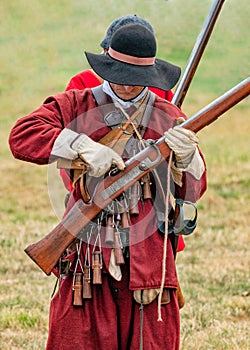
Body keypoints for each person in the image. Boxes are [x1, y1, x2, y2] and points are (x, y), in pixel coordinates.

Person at [9, 24, 207, 350]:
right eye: (121, 73)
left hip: (149, 262)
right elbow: (22, 136)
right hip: (87, 257)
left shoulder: (166, 114)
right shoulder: (76, 104)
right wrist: (80, 146)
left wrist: (188, 160)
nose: (128, 84)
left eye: (137, 76)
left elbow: (193, 192)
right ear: (107, 66)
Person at [62, 14, 187, 252]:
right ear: (107, 52)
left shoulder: (160, 91)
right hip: (95, 194)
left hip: (148, 202)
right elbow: (67, 144)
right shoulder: (83, 83)